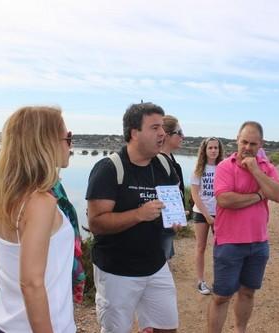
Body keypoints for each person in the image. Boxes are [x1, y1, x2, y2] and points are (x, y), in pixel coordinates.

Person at [86, 102, 179, 333]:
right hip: (117, 271)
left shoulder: (165, 165)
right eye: (154, 127)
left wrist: (173, 219)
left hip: (156, 265)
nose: (162, 133)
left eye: (163, 128)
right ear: (134, 133)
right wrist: (139, 214)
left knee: (167, 328)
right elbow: (96, 223)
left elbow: (170, 204)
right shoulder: (108, 169)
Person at [0, 106, 76, 332]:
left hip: (3, 322)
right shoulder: (40, 202)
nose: (70, 146)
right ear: (45, 143)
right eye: (68, 138)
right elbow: (31, 283)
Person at [207, 121, 279, 333]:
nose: (247, 147)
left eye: (253, 143)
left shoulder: (267, 168)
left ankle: (240, 330)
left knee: (248, 292)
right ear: (237, 140)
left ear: (261, 144)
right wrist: (260, 194)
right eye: (244, 142)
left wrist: (255, 171)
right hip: (229, 243)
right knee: (222, 296)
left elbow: (278, 195)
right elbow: (225, 200)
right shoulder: (225, 166)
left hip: (258, 243)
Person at [190, 137, 225, 295]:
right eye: (210, 148)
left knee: (222, 248)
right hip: (201, 212)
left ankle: (221, 281)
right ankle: (200, 281)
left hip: (221, 214)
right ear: (204, 150)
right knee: (201, 247)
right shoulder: (199, 169)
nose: (213, 150)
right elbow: (195, 194)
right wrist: (207, 215)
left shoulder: (223, 167)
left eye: (216, 148)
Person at [160, 115, 185, 261]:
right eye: (179, 132)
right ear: (167, 135)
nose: (183, 136)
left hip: (170, 225)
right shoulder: (158, 162)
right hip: (162, 227)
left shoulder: (170, 159)